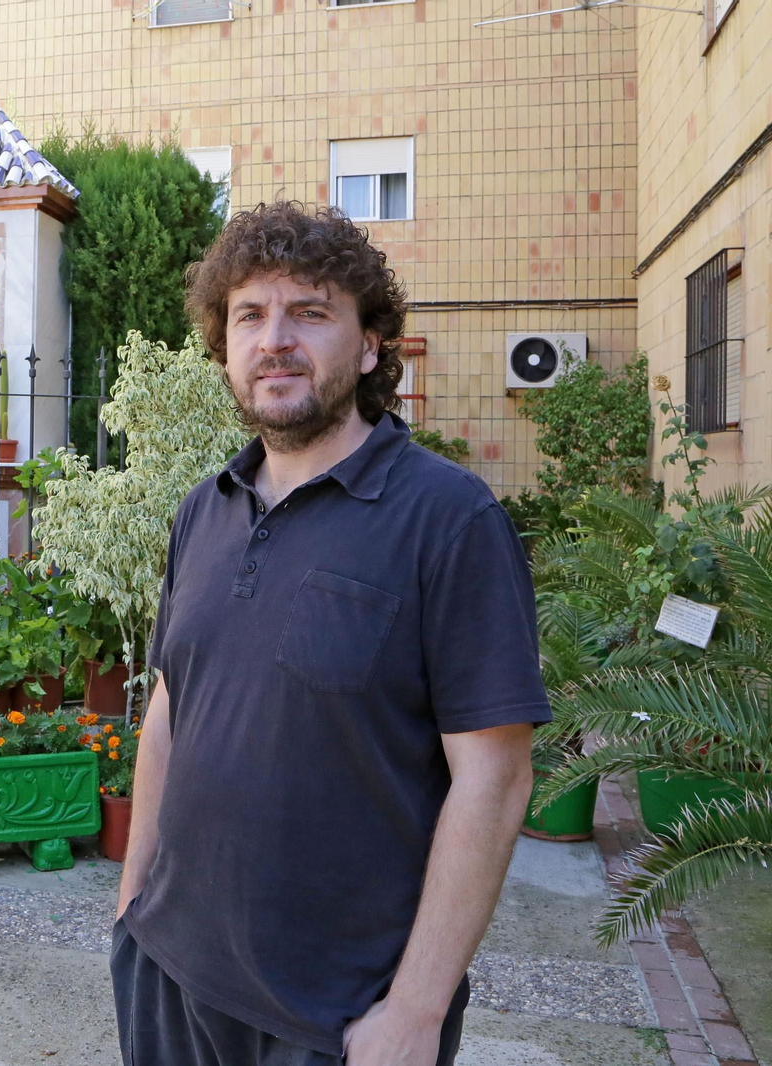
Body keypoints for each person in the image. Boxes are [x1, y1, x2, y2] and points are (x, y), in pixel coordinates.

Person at [112, 201, 549, 1066]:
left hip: (337, 1020)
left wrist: (416, 1013)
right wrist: (132, 909)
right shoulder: (205, 510)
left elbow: (493, 778)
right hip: (168, 976)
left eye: (310, 312)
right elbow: (171, 708)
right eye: (249, 314)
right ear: (224, 344)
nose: (275, 338)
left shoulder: (447, 519)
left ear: (370, 344)